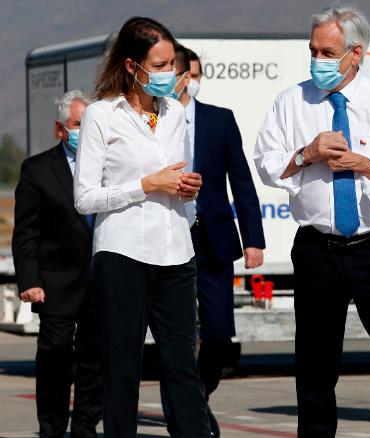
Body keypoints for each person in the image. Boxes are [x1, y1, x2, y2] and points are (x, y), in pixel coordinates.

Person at [255, 5, 370, 437]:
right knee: (315, 368)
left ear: (356, 54)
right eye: (313, 50)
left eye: (327, 52)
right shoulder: (291, 102)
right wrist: (307, 154)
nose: (317, 60)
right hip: (318, 250)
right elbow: (266, 164)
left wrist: (366, 164)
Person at [73, 17, 210, 437]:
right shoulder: (101, 115)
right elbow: (85, 198)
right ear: (132, 66)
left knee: (183, 366)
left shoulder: (176, 114)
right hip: (122, 257)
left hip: (176, 253)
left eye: (174, 64)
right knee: (122, 370)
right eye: (161, 64)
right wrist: (147, 185)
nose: (171, 73)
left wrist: (187, 191)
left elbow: (177, 180)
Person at [164, 43, 266, 437]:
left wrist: (253, 238)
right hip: (169, 237)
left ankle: (195, 399)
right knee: (177, 339)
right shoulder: (150, 121)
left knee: (220, 337)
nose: (182, 80)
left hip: (213, 240)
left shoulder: (219, 120)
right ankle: (186, 418)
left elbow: (241, 180)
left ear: (190, 77)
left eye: (186, 73)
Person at [12, 90, 101, 438]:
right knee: (55, 357)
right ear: (61, 128)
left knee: (95, 360)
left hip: (99, 281)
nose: (85, 131)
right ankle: (51, 427)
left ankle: (85, 427)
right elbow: (26, 233)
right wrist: (29, 280)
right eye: (79, 124)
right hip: (55, 283)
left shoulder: (110, 165)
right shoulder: (37, 169)